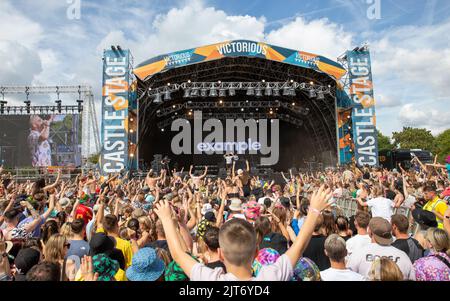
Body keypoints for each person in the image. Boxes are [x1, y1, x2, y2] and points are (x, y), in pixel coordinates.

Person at [153, 185, 333, 281]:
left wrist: (167, 220)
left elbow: (177, 254)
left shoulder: (208, 279)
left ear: (221, 254)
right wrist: (314, 210)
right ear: (256, 253)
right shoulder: (271, 276)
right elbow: (299, 246)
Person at [346, 217, 415, 280]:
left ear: (370, 232)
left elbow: (348, 276)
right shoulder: (403, 256)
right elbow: (412, 278)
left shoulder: (359, 253)